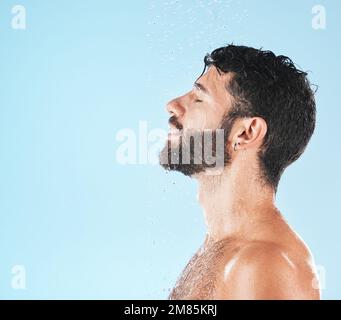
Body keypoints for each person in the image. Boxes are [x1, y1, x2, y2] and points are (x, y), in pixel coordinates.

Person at [159, 44, 320, 300]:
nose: (173, 105)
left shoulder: (267, 263)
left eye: (199, 98)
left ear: (246, 133)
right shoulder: (219, 245)